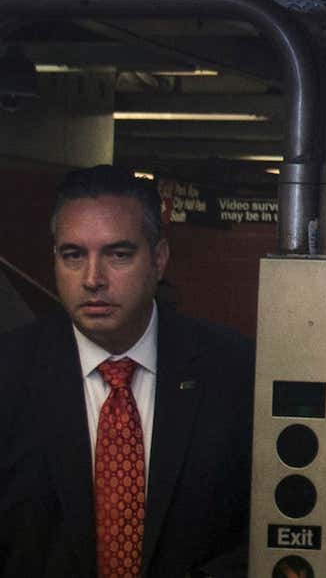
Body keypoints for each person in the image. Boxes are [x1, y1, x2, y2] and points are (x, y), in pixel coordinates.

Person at [0, 165, 254, 578]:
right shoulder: (9, 373)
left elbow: (259, 535)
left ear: (159, 259)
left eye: (118, 254)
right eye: (73, 255)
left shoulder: (234, 372)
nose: (92, 279)